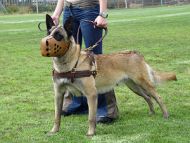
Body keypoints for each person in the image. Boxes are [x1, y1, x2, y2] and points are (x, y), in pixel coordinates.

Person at [51, 0, 119, 123]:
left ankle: (107, 109)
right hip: (68, 9)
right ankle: (77, 104)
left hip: (89, 9)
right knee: (72, 60)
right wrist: (56, 13)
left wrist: (102, 14)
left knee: (96, 60)